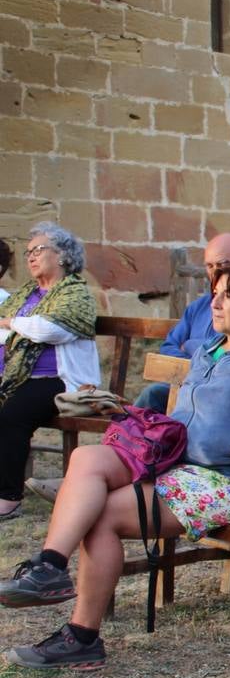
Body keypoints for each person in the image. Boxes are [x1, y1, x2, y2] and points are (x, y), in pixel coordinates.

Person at [0, 263, 230, 668]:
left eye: (226, 296)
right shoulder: (211, 347)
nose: (213, 302)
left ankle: (82, 637)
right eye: (213, 292)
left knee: (102, 516)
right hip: (180, 461)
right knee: (86, 456)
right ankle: (50, 567)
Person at [0, 223, 99, 521]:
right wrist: (14, 326)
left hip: (63, 381)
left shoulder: (76, 293)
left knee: (12, 414)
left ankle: (8, 498)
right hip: (18, 377)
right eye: (28, 252)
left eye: (38, 250)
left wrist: (12, 324)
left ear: (62, 255)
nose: (31, 257)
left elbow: (52, 329)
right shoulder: (26, 295)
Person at [134, 233, 230, 413]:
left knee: (153, 395)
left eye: (222, 264)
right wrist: (199, 363)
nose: (215, 272)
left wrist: (191, 346)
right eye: (209, 266)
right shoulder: (199, 306)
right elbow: (170, 346)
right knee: (152, 400)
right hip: (190, 384)